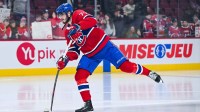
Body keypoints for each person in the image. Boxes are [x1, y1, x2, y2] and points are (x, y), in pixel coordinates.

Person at [56, 3, 163, 112]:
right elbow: (74, 50)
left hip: (105, 47)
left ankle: (149, 73)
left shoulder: (78, 14)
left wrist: (78, 26)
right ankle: (88, 104)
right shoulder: (67, 32)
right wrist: (65, 60)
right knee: (79, 76)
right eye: (59, 15)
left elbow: (92, 20)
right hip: (90, 55)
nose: (60, 17)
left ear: (69, 13)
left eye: (61, 14)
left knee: (127, 67)